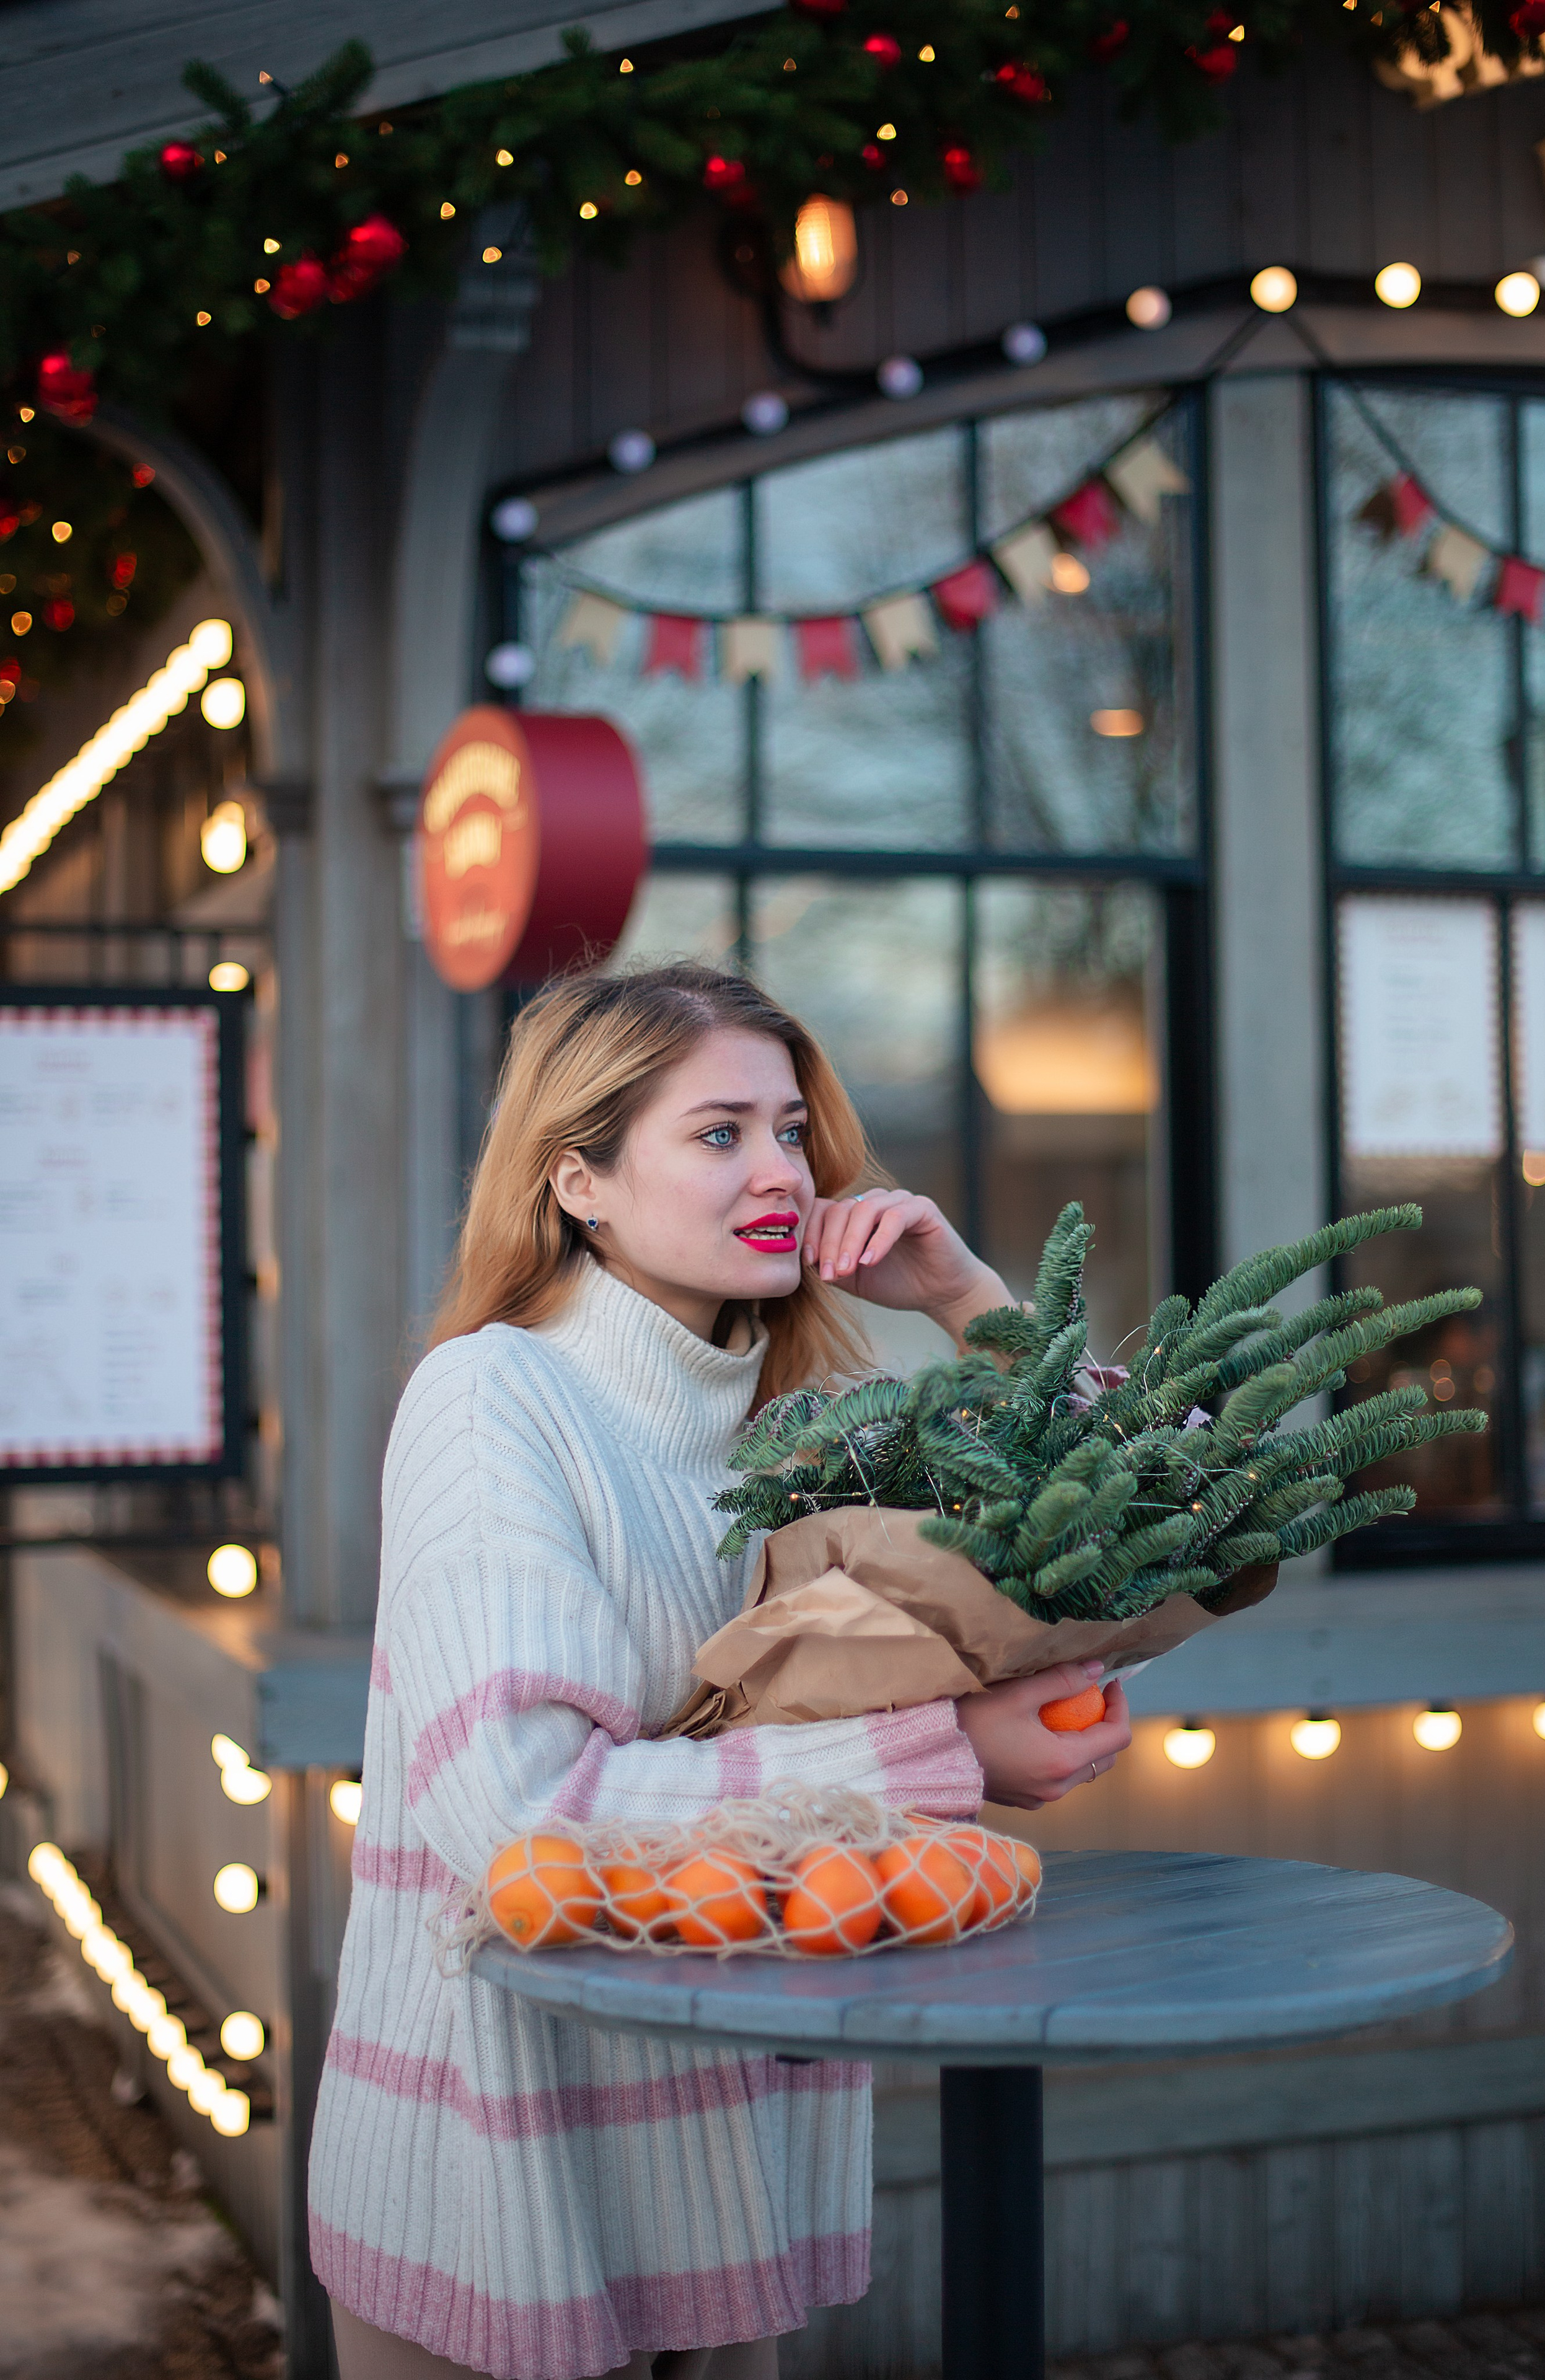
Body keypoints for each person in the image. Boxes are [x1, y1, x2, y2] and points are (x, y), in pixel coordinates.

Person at [308, 962, 1131, 2380]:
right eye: (718, 1133)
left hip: (732, 2138)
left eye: (793, 1130)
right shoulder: (493, 1401)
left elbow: (1139, 1512)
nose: (783, 1172)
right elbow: (517, 1812)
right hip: (509, 2168)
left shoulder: (806, 1424)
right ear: (579, 1182)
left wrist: (967, 1299)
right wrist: (944, 1756)